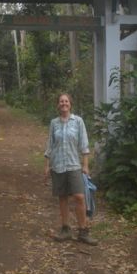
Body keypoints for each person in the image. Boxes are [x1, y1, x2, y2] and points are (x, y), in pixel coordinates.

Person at [44, 93, 97, 245]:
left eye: (66, 101)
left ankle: (83, 231)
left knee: (79, 197)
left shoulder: (78, 121)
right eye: (61, 101)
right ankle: (65, 229)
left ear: (70, 104)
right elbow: (50, 145)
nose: (64, 103)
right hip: (58, 165)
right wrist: (47, 165)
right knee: (62, 197)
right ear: (58, 104)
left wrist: (85, 165)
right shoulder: (54, 123)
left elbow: (84, 144)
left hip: (74, 165)